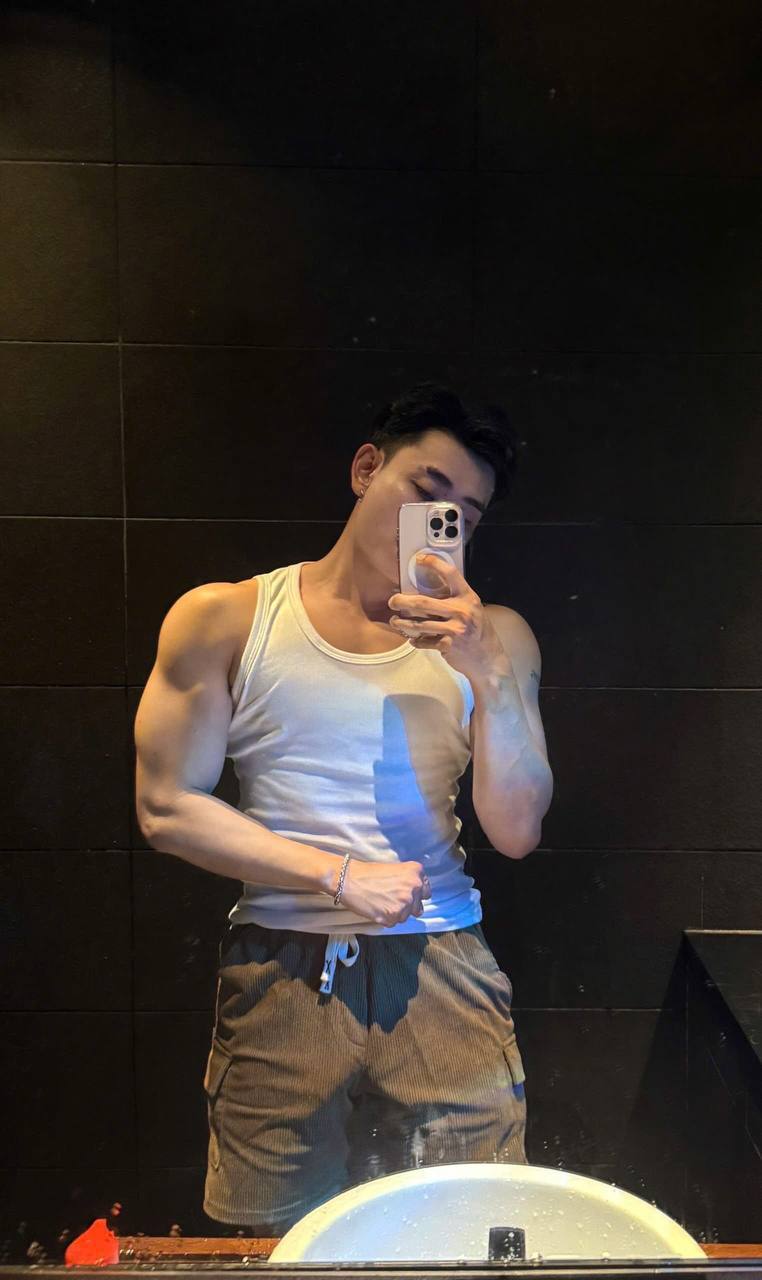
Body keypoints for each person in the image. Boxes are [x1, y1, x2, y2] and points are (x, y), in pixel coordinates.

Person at [134, 382, 554, 1235]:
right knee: (276, 1234)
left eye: (462, 515)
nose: (438, 521)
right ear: (366, 469)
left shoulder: (497, 638)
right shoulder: (227, 618)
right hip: (283, 961)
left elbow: (517, 831)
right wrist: (336, 873)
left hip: (441, 954)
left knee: (472, 1229)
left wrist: (487, 671)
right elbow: (165, 806)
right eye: (425, 490)